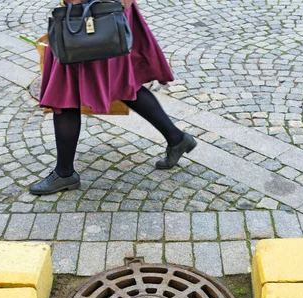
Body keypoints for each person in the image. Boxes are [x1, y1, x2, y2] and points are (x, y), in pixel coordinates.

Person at [29, 0, 196, 195]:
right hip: (106, 14)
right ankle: (176, 138)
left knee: (65, 90)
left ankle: (64, 173)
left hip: (91, 17)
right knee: (121, 84)